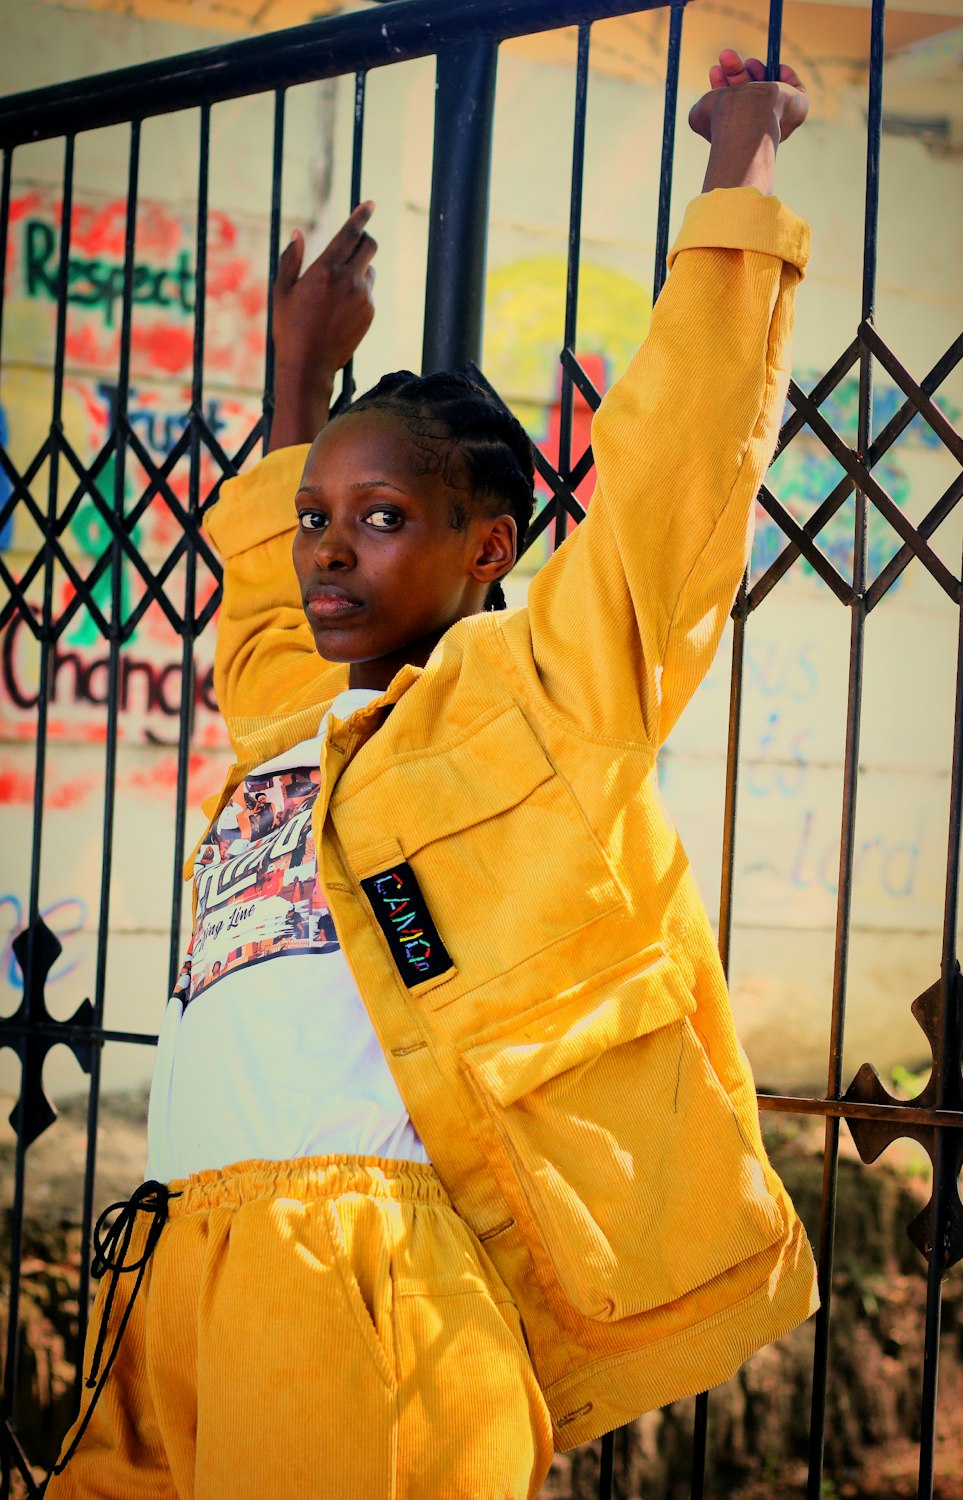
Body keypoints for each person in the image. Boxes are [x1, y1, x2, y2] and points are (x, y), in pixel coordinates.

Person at [49, 50, 818, 1500]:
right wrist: (299, 369)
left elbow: (669, 495)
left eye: (386, 516)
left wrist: (740, 170)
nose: (332, 546)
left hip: (372, 1290)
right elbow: (266, 594)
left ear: (486, 551)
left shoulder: (533, 706)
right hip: (177, 1271)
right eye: (322, 518)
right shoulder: (295, 722)